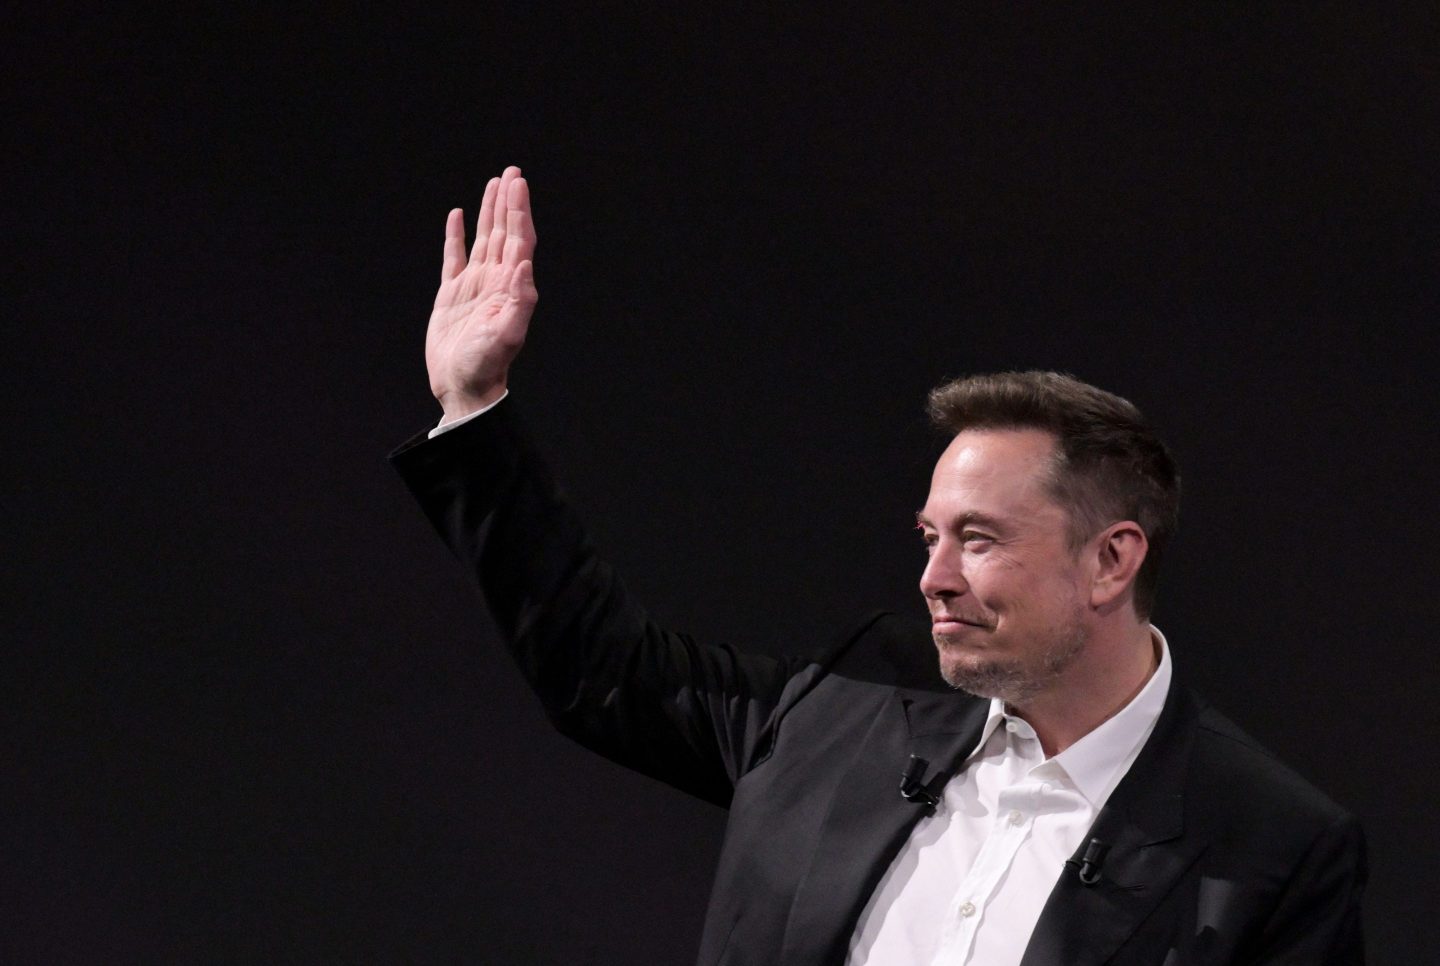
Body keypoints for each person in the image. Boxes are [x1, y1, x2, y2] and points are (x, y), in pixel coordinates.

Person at [392, 166, 1367, 965]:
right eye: (929, 537)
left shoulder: (1272, 847)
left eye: (977, 540)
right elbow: (599, 672)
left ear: (1111, 560)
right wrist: (476, 409)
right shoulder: (855, 703)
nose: (934, 578)